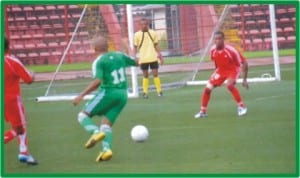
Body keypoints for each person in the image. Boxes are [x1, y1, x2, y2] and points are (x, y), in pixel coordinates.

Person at [73, 36, 137, 162]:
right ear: (108, 46)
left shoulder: (99, 61)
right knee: (106, 125)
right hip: (123, 95)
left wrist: (81, 95)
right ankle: (106, 150)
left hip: (108, 92)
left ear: (95, 49)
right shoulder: (119, 55)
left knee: (82, 116)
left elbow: (98, 81)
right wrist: (127, 46)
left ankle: (95, 133)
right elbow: (136, 61)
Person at [194, 31, 249, 118]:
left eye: (219, 38)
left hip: (233, 69)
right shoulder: (212, 50)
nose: (218, 41)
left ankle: (242, 107)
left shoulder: (231, 50)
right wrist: (216, 74)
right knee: (207, 89)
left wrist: (244, 79)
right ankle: (203, 112)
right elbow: (216, 61)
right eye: (216, 39)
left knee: (229, 85)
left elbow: (244, 62)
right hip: (220, 70)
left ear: (223, 39)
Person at [4, 37, 38, 165]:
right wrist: (32, 73)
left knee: (16, 126)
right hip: (11, 99)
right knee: (20, 127)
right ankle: (23, 153)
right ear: (9, 46)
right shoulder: (12, 61)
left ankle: (23, 151)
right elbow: (28, 79)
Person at [134, 18, 163, 98]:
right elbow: (135, 47)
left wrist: (160, 55)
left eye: (146, 24)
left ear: (148, 24)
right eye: (142, 24)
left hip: (153, 57)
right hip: (143, 59)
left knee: (155, 74)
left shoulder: (153, 33)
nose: (144, 26)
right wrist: (135, 57)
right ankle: (145, 92)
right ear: (140, 25)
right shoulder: (137, 35)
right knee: (145, 75)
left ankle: (159, 91)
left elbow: (156, 44)